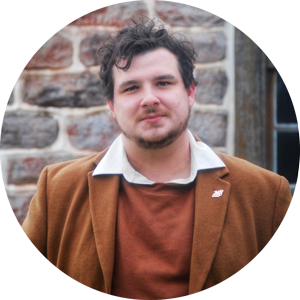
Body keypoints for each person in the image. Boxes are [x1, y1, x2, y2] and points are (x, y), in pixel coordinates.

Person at [0, 18, 297, 300]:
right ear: (112, 105)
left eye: (164, 83)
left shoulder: (265, 194)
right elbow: (14, 291)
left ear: (191, 91)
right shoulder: (59, 190)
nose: (149, 98)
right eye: (131, 88)